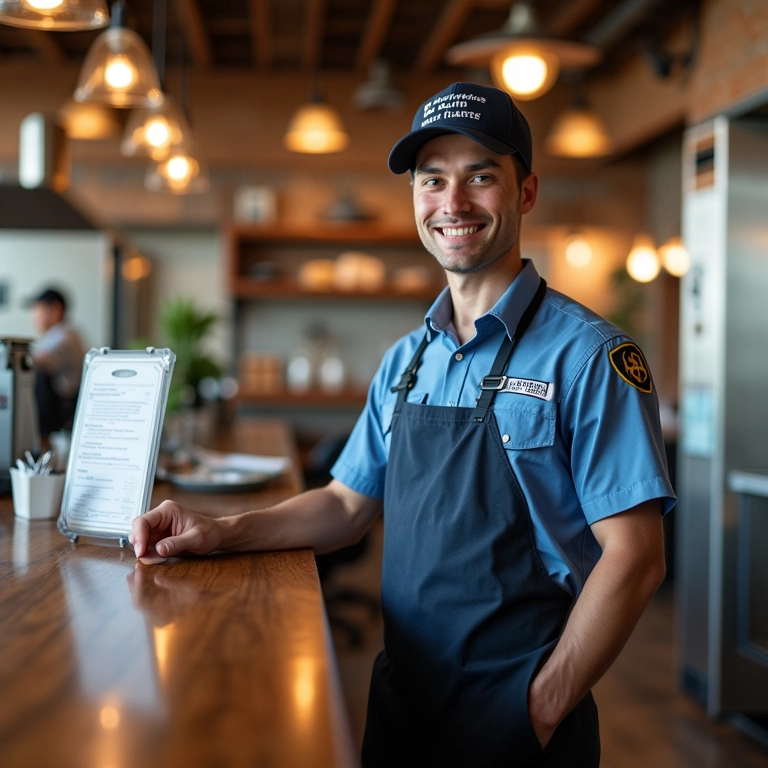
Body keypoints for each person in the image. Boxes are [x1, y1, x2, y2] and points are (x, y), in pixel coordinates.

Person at [132, 82, 675, 767]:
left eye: (481, 176)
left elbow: (637, 558)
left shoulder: (591, 356)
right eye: (433, 180)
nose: (454, 203)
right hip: (402, 705)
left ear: (526, 192)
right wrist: (219, 533)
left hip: (518, 717)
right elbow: (345, 505)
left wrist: (538, 708)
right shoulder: (407, 360)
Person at [28, 287, 85, 437]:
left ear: (55, 309)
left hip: (62, 408)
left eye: (37, 310)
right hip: (61, 405)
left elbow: (35, 362)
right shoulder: (62, 334)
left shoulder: (63, 336)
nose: (33, 316)